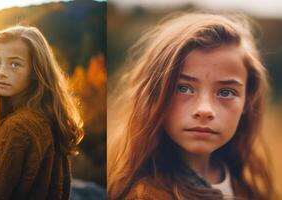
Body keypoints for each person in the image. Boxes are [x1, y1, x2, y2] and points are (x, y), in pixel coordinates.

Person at [107, 13, 275, 200]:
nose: (205, 110)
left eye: (226, 92)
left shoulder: (251, 189)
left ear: (247, 101)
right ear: (154, 94)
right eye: (183, 88)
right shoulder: (145, 196)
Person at [0, 25, 84, 200]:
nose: (1, 73)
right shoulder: (49, 117)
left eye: (15, 64)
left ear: (36, 71)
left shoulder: (17, 128)